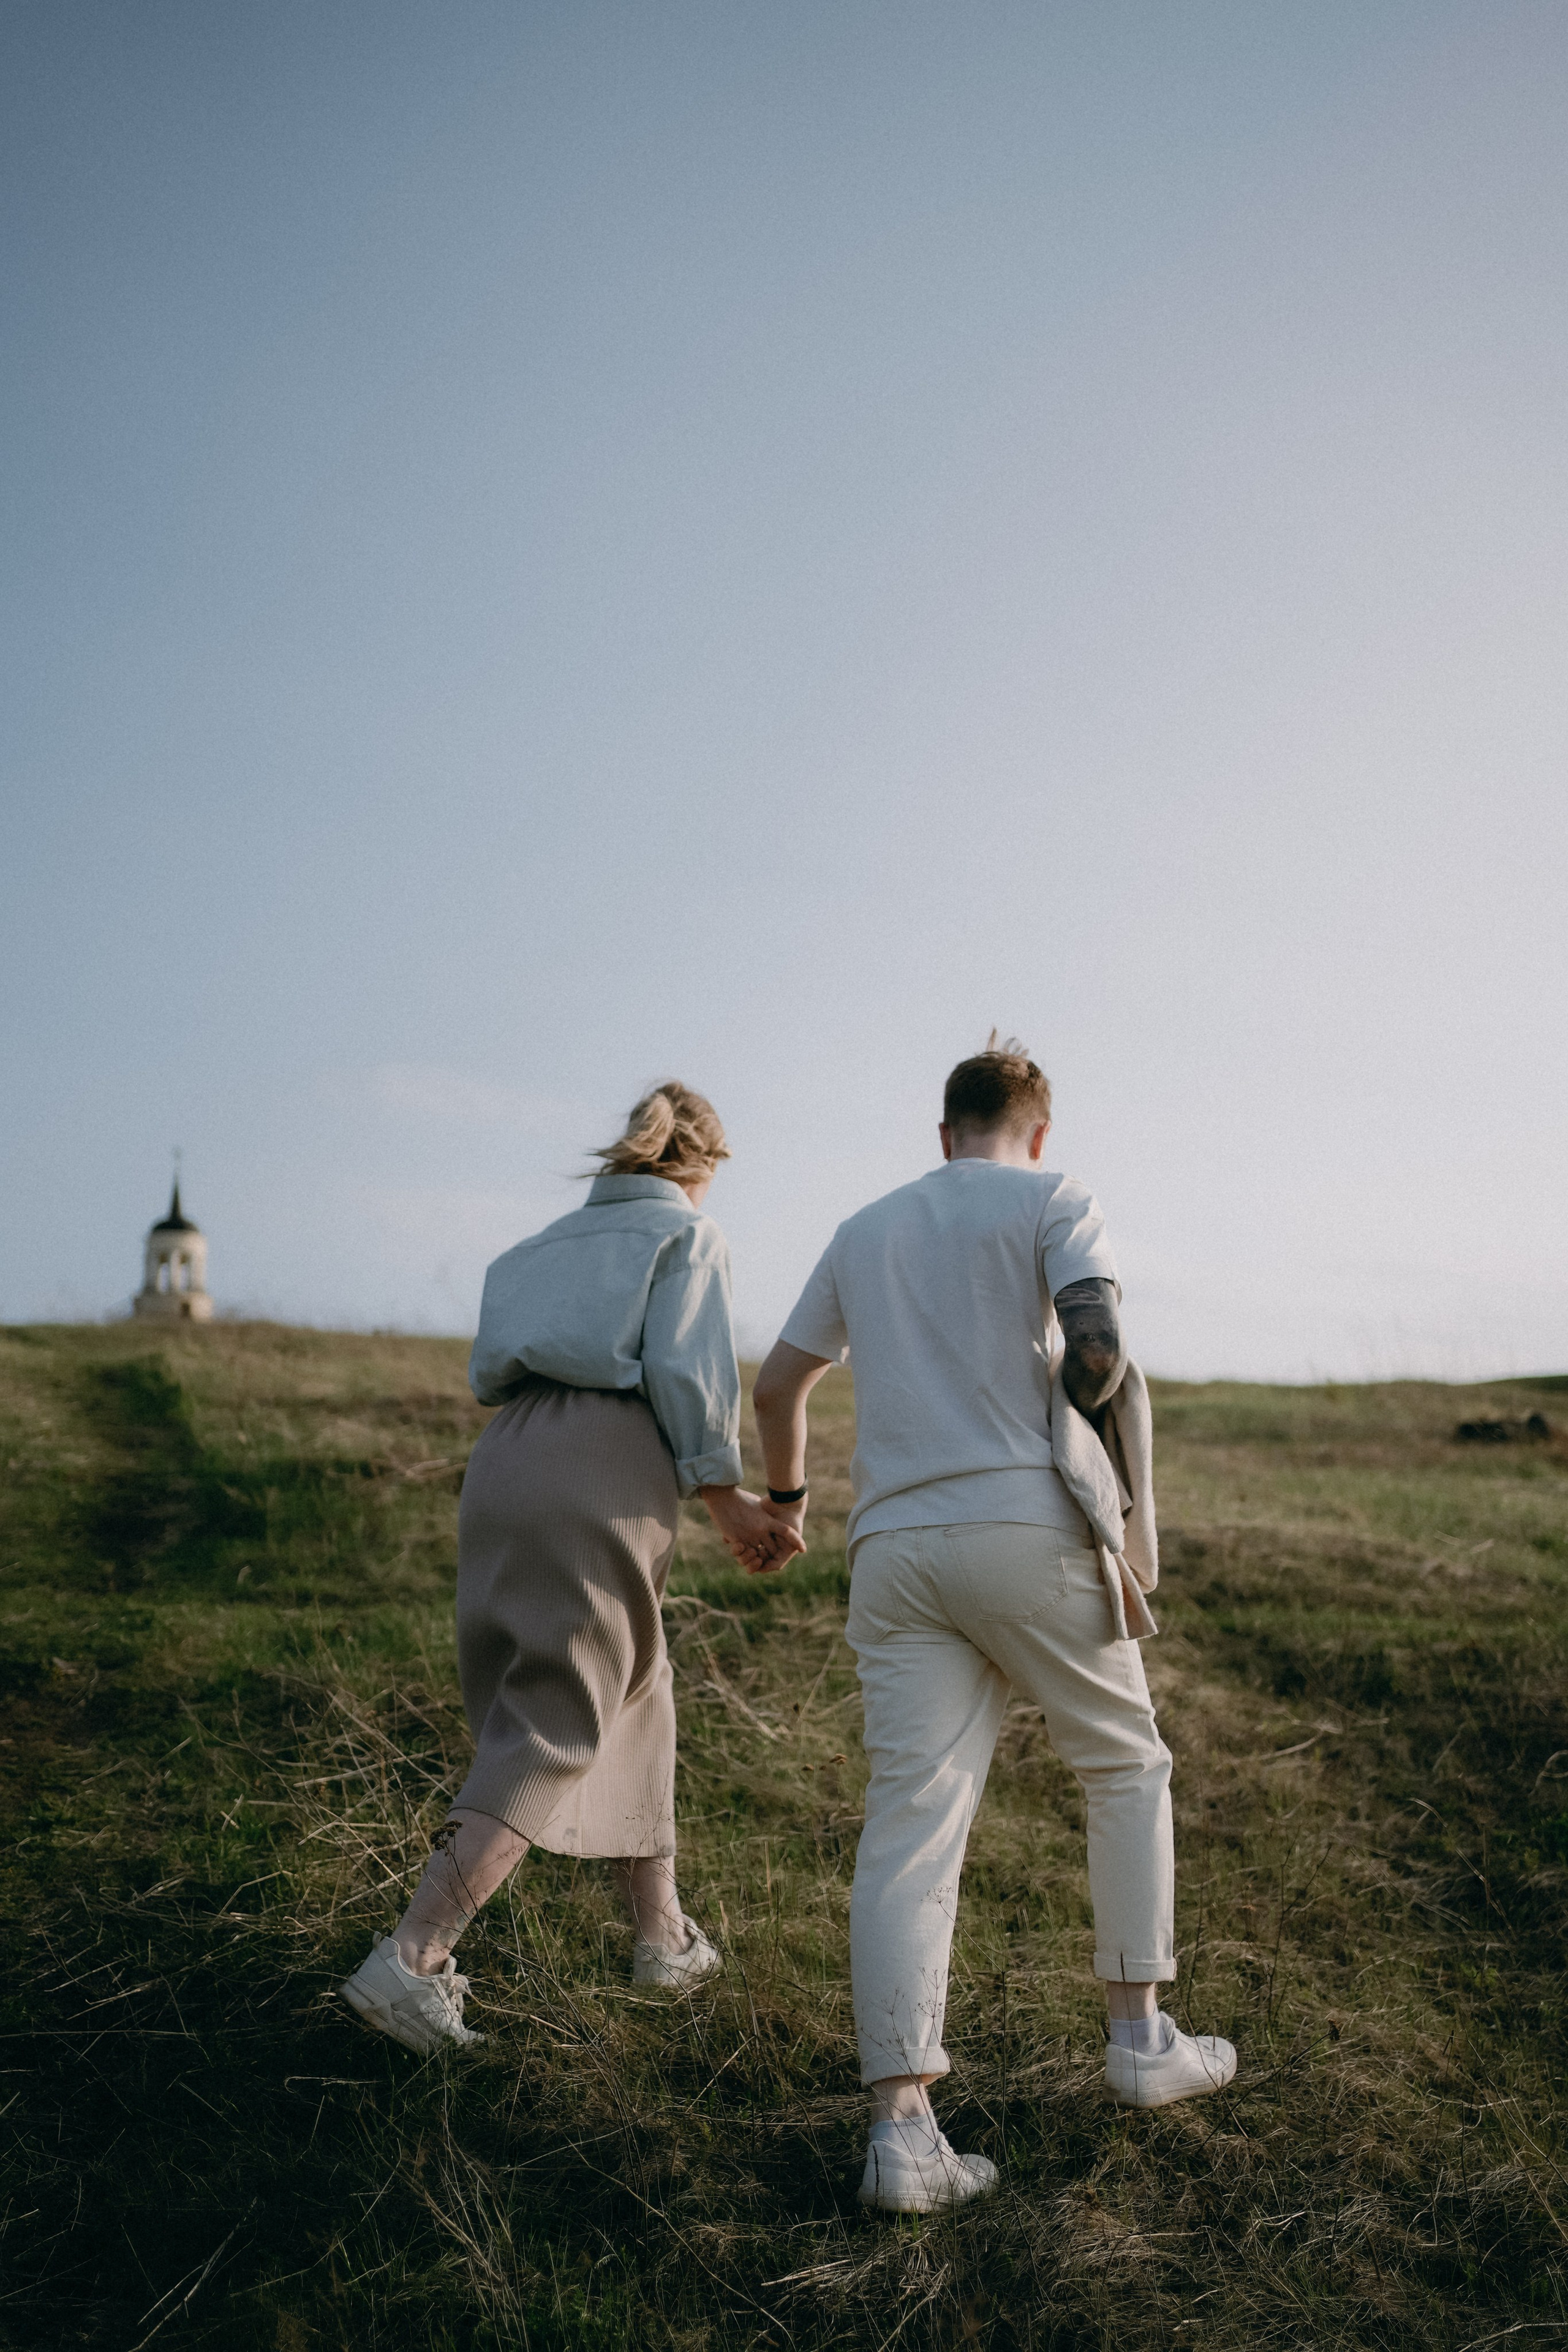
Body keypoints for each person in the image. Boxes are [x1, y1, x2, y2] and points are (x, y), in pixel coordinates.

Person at [752, 1036, 1236, 2214]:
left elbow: (778, 1385)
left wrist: (784, 1503)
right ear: (1039, 1131)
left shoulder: (865, 1228)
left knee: (912, 1823)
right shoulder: (1054, 1198)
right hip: (1023, 1527)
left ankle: (903, 2136)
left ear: (942, 1133)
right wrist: (1066, 1421)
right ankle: (1139, 2037)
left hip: (894, 1550)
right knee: (1125, 1762)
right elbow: (1102, 1349)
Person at [342, 1082, 802, 2052]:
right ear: (702, 1165)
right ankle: (413, 1958)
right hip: (604, 1462)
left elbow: (484, 1371)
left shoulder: (535, 1247)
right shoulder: (687, 1236)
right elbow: (688, 1372)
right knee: (557, 1719)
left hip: (507, 1454)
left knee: (638, 1685)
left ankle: (661, 1936)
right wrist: (727, 1499)